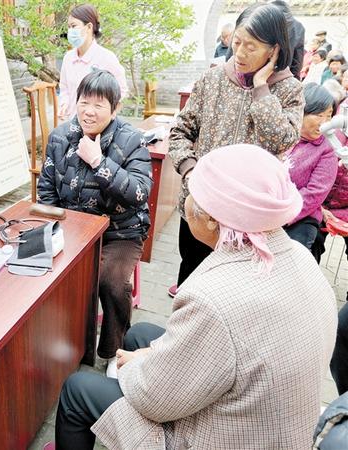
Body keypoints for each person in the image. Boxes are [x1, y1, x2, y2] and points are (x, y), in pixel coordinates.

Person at [53, 144, 337, 450]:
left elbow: (154, 400)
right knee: (141, 334)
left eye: (191, 193)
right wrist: (148, 357)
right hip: (266, 420)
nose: (185, 202)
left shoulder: (212, 298)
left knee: (77, 390)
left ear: (213, 218)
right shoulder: (299, 255)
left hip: (225, 438)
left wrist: (132, 366)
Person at [167, 3, 304, 297]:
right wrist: (191, 172)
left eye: (251, 47)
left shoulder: (289, 90)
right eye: (237, 42)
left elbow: (282, 141)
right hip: (200, 209)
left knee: (232, 292)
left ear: (274, 50)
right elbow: (179, 132)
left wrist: (261, 89)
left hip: (247, 222)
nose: (239, 53)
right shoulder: (213, 79)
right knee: (190, 279)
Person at [38, 70, 152, 378]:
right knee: (53, 277)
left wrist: (99, 162)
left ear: (115, 109)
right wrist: (55, 228)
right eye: (84, 102)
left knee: (111, 281)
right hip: (73, 229)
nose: (89, 111)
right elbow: (47, 188)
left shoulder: (132, 140)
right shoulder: (61, 136)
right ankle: (72, 348)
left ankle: (115, 351)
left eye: (99, 105)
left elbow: (139, 192)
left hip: (120, 232)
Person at [284, 83, 337, 254]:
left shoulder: (326, 150)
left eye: (329, 116)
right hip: (265, 209)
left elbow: (314, 193)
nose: (325, 122)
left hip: (300, 218)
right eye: (319, 115)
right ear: (301, 111)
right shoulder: (281, 136)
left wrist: (281, 215)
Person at [57, 4, 128, 121]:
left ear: (89, 27)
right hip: (73, 122)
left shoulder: (106, 57)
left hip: (98, 124)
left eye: (74, 26)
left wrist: (108, 114)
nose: (70, 31)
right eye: (68, 27)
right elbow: (64, 88)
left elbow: (121, 90)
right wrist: (64, 105)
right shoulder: (68, 58)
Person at [268, 0, 305, 79]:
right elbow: (298, 59)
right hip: (285, 75)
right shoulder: (299, 26)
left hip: (262, 73)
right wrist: (293, 77)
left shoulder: (265, 20)